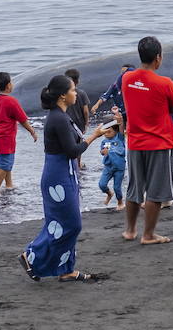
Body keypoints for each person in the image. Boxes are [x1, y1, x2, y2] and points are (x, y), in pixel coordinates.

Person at [18, 74, 111, 283]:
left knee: (62, 222)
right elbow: (72, 150)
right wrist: (94, 137)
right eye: (72, 90)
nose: (75, 93)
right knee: (70, 224)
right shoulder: (58, 118)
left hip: (63, 173)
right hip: (58, 176)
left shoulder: (61, 115)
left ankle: (66, 269)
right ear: (62, 96)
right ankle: (31, 254)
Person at [121, 36, 173, 245]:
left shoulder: (126, 79)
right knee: (156, 191)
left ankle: (130, 230)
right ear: (158, 58)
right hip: (159, 142)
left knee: (134, 188)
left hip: (135, 141)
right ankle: (148, 234)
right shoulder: (165, 83)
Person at [0, 71, 36, 195]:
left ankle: (9, 185)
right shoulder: (11, 101)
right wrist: (32, 131)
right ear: (9, 85)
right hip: (5, 137)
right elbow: (23, 120)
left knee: (4, 160)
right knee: (5, 164)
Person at [97, 113, 126, 210]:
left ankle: (120, 202)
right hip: (108, 167)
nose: (106, 134)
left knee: (117, 187)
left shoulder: (120, 138)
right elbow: (102, 151)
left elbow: (121, 127)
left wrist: (120, 121)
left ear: (115, 131)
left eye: (109, 132)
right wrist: (103, 152)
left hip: (119, 167)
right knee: (102, 184)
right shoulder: (104, 142)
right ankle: (109, 194)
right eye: (105, 132)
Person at [64, 69, 91, 169]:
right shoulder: (82, 93)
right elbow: (85, 111)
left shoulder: (64, 95)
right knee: (78, 144)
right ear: (77, 81)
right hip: (79, 124)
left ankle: (70, 164)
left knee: (68, 143)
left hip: (67, 122)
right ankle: (78, 164)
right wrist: (86, 122)